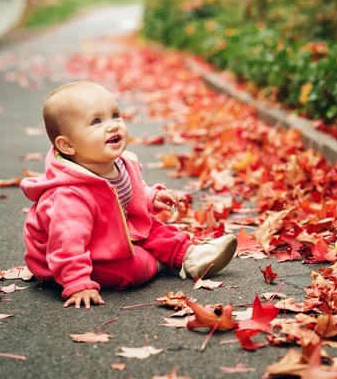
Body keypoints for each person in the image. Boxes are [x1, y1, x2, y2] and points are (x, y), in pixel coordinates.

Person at [21, 81, 238, 309]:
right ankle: (158, 263)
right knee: (132, 268)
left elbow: (127, 194)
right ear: (67, 146)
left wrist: (150, 197)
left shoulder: (119, 164)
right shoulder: (69, 196)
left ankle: (192, 256)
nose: (112, 126)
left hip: (114, 230)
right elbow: (67, 245)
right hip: (74, 257)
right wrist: (78, 283)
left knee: (155, 229)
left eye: (115, 115)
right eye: (96, 122)